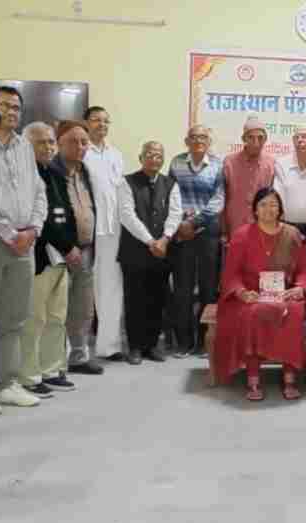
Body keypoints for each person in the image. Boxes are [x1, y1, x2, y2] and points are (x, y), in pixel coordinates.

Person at [214, 187, 306, 401]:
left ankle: (289, 375)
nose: (268, 209)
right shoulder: (241, 235)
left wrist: (299, 288)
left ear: (280, 209)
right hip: (252, 295)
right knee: (253, 313)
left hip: (284, 294)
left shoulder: (292, 234)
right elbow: (231, 274)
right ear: (255, 210)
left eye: (273, 204)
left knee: (294, 312)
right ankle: (253, 377)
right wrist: (241, 293)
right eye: (263, 205)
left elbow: (303, 270)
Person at [0, 87, 48, 413]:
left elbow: (39, 191)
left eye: (16, 106)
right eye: (4, 105)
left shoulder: (25, 146)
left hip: (24, 245)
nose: (11, 111)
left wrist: (34, 228)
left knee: (13, 319)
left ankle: (6, 383)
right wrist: (10, 233)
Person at [18, 122, 79, 398]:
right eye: (41, 142)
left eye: (51, 142)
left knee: (56, 317)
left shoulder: (54, 172)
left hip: (61, 259)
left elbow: (64, 213)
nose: (49, 147)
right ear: (26, 145)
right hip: (40, 255)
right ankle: (29, 376)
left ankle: (52, 369)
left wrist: (71, 245)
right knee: (35, 319)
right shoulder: (23, 175)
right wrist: (67, 246)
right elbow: (41, 219)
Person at [118, 142, 182, 364]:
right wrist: (150, 241)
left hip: (162, 251)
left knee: (157, 298)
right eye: (150, 155)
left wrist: (165, 239)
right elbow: (127, 215)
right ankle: (135, 347)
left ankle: (152, 344)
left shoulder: (170, 184)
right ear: (141, 157)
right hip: (135, 252)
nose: (154, 159)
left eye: (159, 155)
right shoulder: (127, 182)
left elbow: (175, 214)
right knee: (135, 299)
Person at [168, 124, 225, 358]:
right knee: (182, 289)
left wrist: (196, 222)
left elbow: (219, 199)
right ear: (186, 141)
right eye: (194, 137)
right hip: (181, 233)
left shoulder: (218, 165)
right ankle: (183, 342)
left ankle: (204, 341)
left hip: (208, 233)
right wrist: (181, 222)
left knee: (208, 289)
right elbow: (171, 195)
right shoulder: (176, 163)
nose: (198, 140)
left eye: (203, 137)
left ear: (209, 141)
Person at [54, 121, 101, 375]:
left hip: (86, 249)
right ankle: (54, 361)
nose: (81, 147)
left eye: (84, 142)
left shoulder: (84, 171)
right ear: (59, 142)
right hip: (60, 252)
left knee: (82, 307)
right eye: (74, 141)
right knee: (57, 308)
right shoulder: (51, 171)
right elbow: (54, 215)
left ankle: (79, 356)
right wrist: (65, 245)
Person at [83, 106, 126, 363]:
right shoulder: (81, 152)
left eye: (105, 121)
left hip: (112, 230)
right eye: (96, 120)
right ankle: (71, 350)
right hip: (86, 230)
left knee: (110, 287)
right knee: (79, 289)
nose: (101, 125)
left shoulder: (116, 154)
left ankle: (109, 346)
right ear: (86, 123)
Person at [222, 116, 275, 238]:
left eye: (260, 138)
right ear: (243, 138)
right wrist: (223, 230)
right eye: (251, 137)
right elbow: (222, 198)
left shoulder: (271, 164)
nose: (256, 142)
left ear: (265, 140)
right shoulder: (229, 163)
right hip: (234, 228)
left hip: (262, 229)